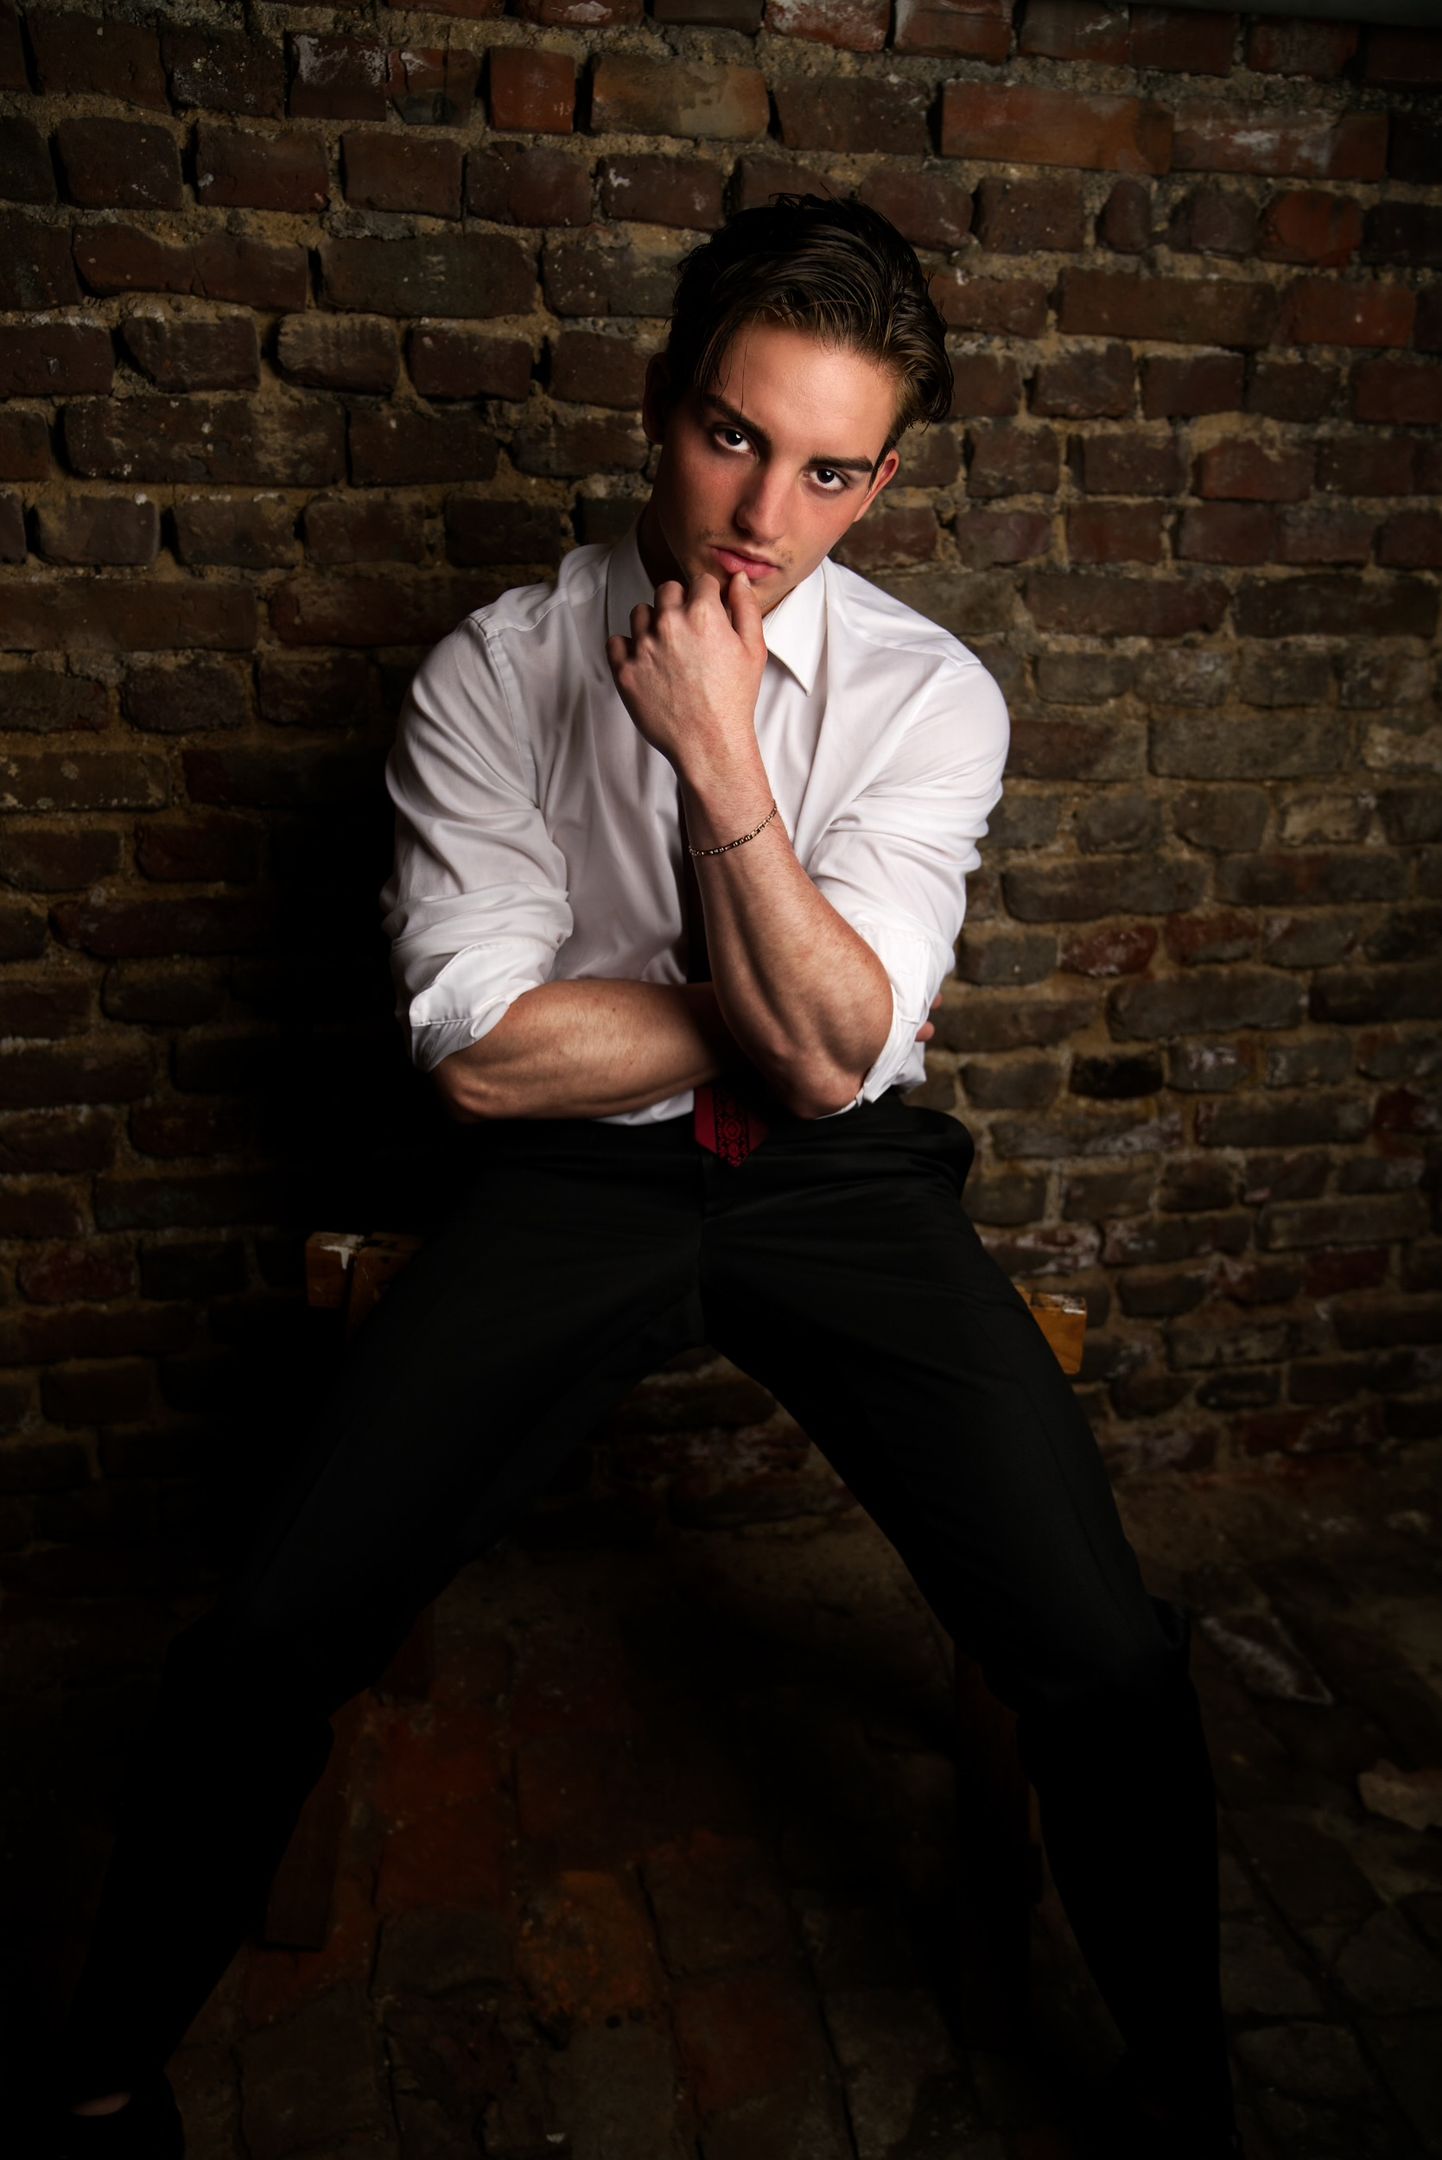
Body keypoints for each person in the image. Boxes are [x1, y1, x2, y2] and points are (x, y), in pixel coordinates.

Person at [44, 193, 1241, 2159]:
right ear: (657, 402)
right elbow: (486, 1055)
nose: (766, 513)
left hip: (842, 1185)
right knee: (265, 1636)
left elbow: (837, 1071)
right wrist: (782, 1008)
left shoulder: (931, 695)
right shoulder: (492, 670)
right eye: (731, 436)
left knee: (1104, 1656)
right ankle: (98, 2080)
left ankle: (1186, 2088)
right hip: (571, 1185)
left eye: (831, 471)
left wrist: (720, 766)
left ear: (883, 483)